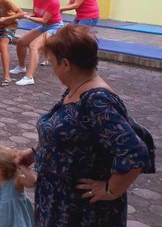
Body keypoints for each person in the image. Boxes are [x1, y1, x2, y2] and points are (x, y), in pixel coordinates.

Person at [15, 25, 152, 226]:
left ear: (66, 64)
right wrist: (36, 151)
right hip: (57, 201)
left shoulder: (97, 100)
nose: (52, 69)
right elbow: (73, 134)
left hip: (80, 210)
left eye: (52, 63)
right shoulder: (76, 89)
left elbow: (134, 151)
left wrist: (110, 189)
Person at [11, 0, 64, 86]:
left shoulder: (54, 2)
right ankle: (21, 67)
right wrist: (24, 15)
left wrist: (28, 17)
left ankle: (29, 77)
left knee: (34, 46)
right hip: (45, 26)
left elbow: (44, 20)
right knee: (21, 42)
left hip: (54, 27)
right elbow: (36, 14)